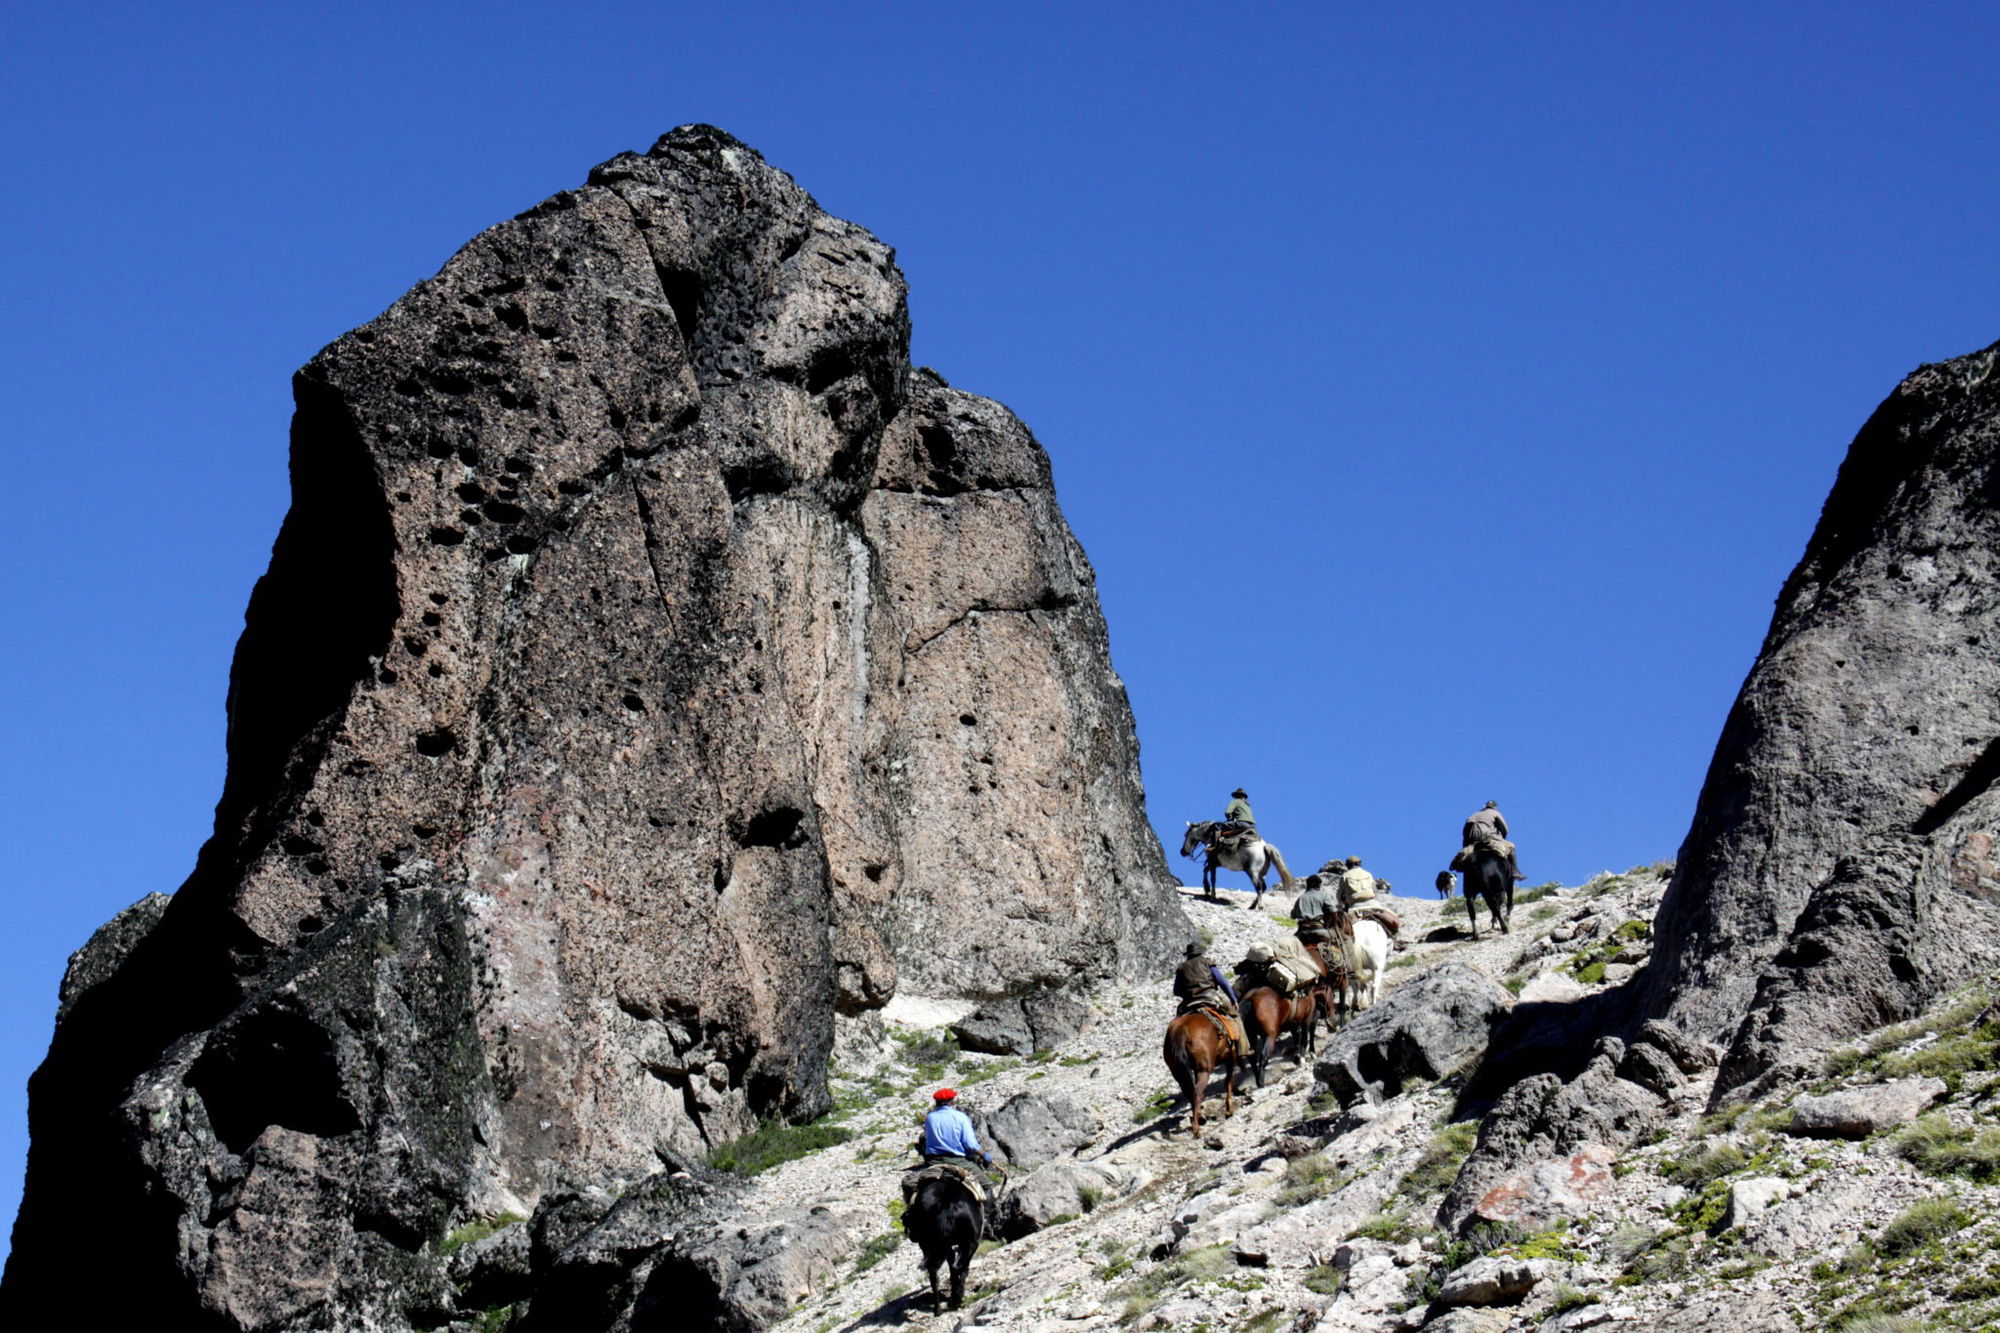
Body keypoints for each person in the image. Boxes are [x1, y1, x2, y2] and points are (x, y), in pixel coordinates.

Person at [919, 1089, 994, 1182]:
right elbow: (970, 1144)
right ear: (952, 1101)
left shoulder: (930, 1117)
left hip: (933, 1161)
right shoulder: (961, 1117)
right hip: (957, 1161)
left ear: (936, 1102)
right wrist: (983, 1154)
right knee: (987, 1184)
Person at [1462, 801, 1524, 881]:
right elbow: (1505, 829)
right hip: (1489, 839)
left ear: (1485, 806)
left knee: (1463, 860)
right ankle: (1515, 872)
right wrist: (1501, 838)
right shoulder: (1495, 813)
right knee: (1511, 847)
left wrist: (1466, 845)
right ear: (1494, 807)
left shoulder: (1472, 816)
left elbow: (1465, 832)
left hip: (1473, 843)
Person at [1292, 874, 1338, 945]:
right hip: (1319, 930)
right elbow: (1334, 911)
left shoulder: (1300, 898)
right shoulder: (1324, 895)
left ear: (1308, 885)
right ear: (1319, 885)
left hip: (1303, 932)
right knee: (1337, 945)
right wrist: (1331, 925)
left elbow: (1293, 916)